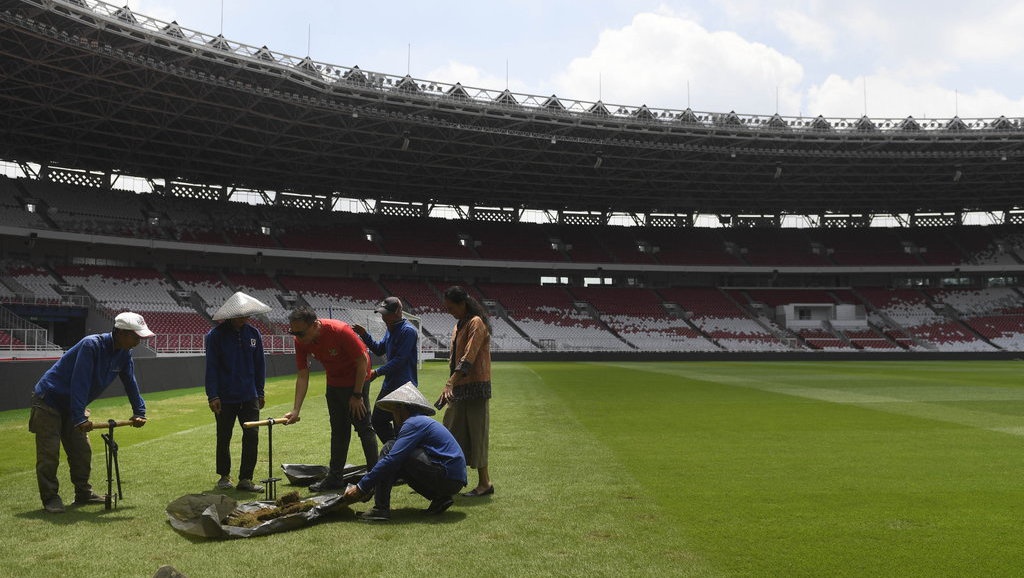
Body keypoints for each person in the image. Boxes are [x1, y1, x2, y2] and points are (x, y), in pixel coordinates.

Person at [29, 312, 152, 513]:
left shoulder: (124, 354)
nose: (139, 340)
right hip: (48, 401)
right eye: (136, 336)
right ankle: (50, 497)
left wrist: (140, 411)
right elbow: (80, 381)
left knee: (81, 451)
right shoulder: (91, 345)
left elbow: (131, 382)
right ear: (120, 332)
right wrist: (79, 417)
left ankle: (83, 493)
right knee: (49, 453)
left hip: (73, 405)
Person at [284, 306, 377, 492]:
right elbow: (302, 374)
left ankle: (375, 479)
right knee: (339, 431)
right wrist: (296, 410)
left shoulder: (340, 331)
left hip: (357, 380)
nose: (297, 337)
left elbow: (362, 362)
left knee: (364, 428)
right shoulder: (300, 341)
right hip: (334, 384)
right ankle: (335, 478)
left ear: (315, 325)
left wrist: (357, 395)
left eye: (300, 333)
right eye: (293, 332)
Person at [343, 382, 466, 521]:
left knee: (390, 448)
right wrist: (372, 487)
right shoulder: (420, 421)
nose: (393, 415)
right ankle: (440, 499)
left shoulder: (413, 423)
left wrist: (361, 487)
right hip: (454, 479)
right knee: (396, 458)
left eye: (394, 409)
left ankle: (380, 508)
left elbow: (392, 459)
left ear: (401, 408)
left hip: (447, 475)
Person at [205, 291, 271, 492]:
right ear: (231, 314)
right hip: (224, 397)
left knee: (252, 436)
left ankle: (246, 479)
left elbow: (260, 365)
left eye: (248, 314)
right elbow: (212, 367)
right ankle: (224, 476)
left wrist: (260, 392)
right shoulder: (215, 336)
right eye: (242, 314)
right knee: (223, 436)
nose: (246, 317)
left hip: (249, 395)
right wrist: (213, 395)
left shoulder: (254, 334)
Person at [438, 285, 495, 498]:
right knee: (451, 432)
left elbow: (468, 358)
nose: (449, 311)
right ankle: (446, 477)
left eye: (452, 307)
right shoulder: (458, 325)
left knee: (477, 435)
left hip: (477, 388)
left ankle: (485, 483)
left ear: (463, 304)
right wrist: (451, 386)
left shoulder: (476, 323)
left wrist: (449, 383)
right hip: (459, 387)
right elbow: (455, 359)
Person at [352, 296, 419, 443]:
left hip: (404, 387)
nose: (383, 317)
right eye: (382, 313)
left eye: (385, 313)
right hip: (390, 385)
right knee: (377, 420)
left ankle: (400, 456)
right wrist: (364, 335)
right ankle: (395, 451)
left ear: (397, 311)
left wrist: (377, 372)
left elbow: (400, 360)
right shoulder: (391, 328)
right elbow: (378, 349)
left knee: (401, 427)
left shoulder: (408, 331)